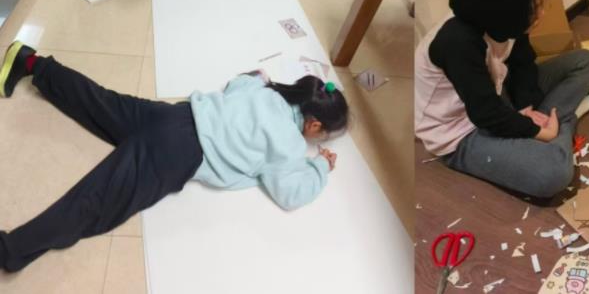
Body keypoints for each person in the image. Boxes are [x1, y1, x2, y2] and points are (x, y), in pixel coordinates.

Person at [0, 40, 347, 272]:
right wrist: (319, 167)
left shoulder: (266, 90)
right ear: (314, 124)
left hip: (175, 115)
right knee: (96, 202)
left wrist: (258, 78)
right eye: (323, 135)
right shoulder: (289, 146)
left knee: (100, 102)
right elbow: (289, 193)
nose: (319, 141)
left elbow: (237, 84)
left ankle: (31, 62)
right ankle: (9, 251)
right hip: (178, 153)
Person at [414, 0, 589, 198]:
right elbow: (485, 112)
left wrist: (526, 108)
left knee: (585, 62)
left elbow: (523, 62)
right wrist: (538, 131)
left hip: (495, 92)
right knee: (554, 173)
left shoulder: (506, 21)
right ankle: (565, 120)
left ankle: (549, 122)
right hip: (459, 130)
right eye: (534, 8)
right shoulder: (457, 42)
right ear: (505, 9)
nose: (542, 14)